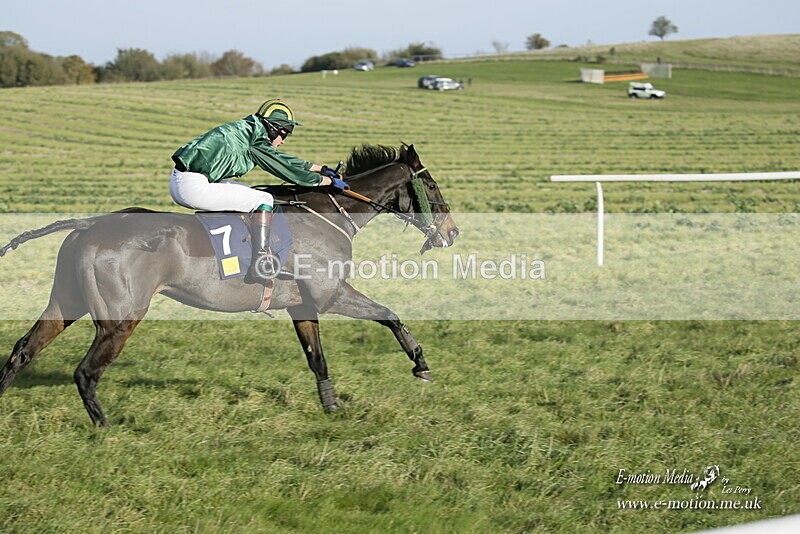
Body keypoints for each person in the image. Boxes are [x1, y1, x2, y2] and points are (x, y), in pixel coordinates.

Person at [170, 99, 348, 279]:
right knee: (265, 200)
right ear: (272, 129)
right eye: (284, 134)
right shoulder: (255, 141)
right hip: (193, 186)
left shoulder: (249, 131)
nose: (283, 141)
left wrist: (319, 168)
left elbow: (279, 157)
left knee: (252, 192)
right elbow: (286, 170)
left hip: (187, 180)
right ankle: (261, 261)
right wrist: (325, 181)